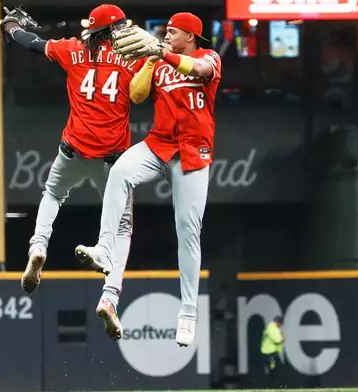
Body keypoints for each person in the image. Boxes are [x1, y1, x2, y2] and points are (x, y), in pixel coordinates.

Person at [0, 5, 145, 341]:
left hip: (73, 150)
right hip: (112, 162)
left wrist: (9, 28)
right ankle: (110, 296)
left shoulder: (73, 49)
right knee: (122, 228)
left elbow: (32, 42)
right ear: (114, 30)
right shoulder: (133, 60)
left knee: (52, 194)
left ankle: (38, 247)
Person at [75, 12, 222, 347]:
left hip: (193, 152)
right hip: (159, 144)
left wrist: (161, 53)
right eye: (165, 32)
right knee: (119, 173)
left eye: (173, 32)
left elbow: (199, 71)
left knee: (187, 230)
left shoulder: (206, 56)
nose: (166, 35)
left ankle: (187, 312)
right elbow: (137, 95)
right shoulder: (160, 61)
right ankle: (104, 248)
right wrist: (149, 62)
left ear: (191, 35)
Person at [260, 316, 284, 388]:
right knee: (273, 371)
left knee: (270, 370)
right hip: (270, 353)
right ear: (278, 322)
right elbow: (278, 340)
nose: (281, 326)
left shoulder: (269, 327)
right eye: (280, 324)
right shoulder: (273, 328)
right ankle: (271, 386)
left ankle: (270, 386)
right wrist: (282, 338)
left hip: (267, 352)